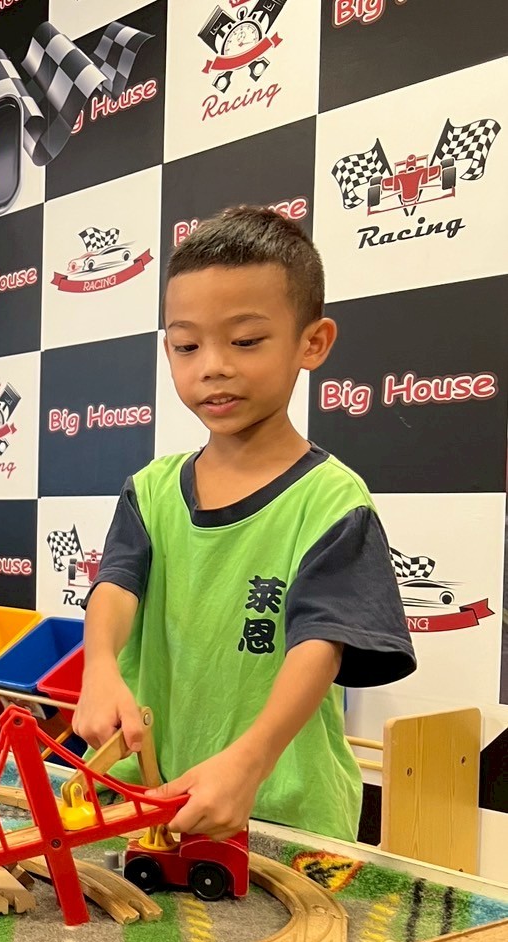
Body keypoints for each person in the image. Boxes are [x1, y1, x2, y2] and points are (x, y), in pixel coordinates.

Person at [74, 206, 415, 843]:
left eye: (246, 341)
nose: (213, 366)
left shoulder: (332, 501)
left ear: (312, 343)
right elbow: (115, 587)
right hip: (151, 800)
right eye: (187, 346)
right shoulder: (151, 489)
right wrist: (99, 668)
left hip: (281, 812)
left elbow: (321, 645)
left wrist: (251, 762)